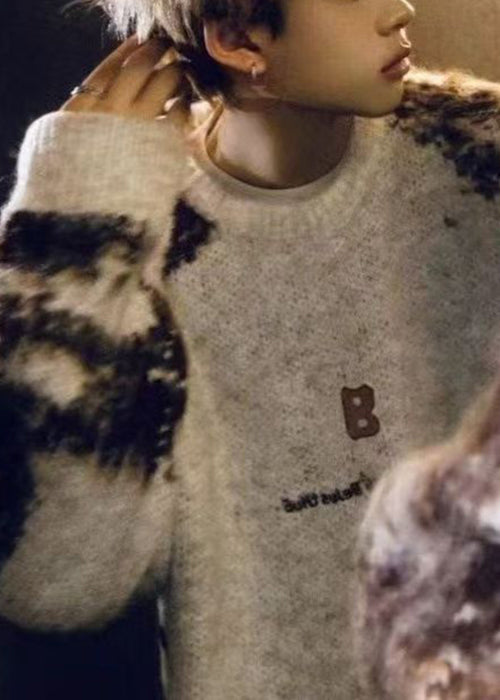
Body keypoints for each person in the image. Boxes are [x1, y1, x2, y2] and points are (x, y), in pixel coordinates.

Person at [0, 0, 499, 698]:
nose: (400, 9)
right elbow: (61, 585)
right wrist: (70, 248)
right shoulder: (129, 239)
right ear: (239, 41)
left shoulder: (475, 158)